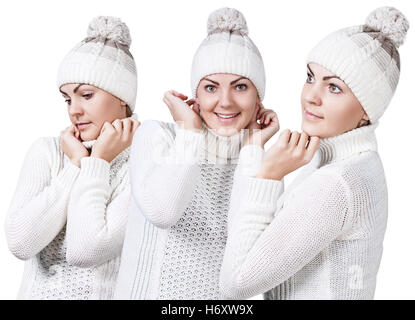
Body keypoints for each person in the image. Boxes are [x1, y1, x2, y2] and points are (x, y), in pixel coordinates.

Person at [220, 6, 409, 300]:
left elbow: (235, 284)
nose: (311, 95)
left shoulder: (338, 183)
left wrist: (268, 175)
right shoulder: (343, 161)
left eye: (334, 87)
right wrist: (254, 149)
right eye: (311, 77)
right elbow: (246, 244)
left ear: (367, 110)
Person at [114, 7, 278, 299]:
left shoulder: (259, 161)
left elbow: (246, 253)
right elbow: (163, 211)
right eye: (211, 87)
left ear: (258, 98)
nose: (225, 102)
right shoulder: (157, 136)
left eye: (240, 87)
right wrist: (189, 132)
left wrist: (254, 146)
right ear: (197, 95)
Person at [5, 16, 139, 299]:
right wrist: (76, 165)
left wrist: (98, 163)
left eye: (86, 95)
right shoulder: (49, 151)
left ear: (123, 98)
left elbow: (86, 250)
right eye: (67, 99)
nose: (73, 110)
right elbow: (20, 243)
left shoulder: (143, 161)